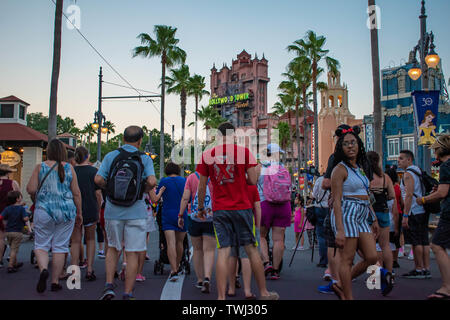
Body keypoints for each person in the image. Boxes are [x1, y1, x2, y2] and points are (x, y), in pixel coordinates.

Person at [196, 122, 278, 300]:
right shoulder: (244, 152)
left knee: (224, 251)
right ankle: (263, 292)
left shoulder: (207, 155)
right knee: (251, 249)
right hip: (242, 206)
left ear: (218, 136)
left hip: (220, 209)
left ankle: (221, 297)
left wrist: (201, 208)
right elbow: (253, 181)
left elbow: (202, 186)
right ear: (234, 135)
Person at [95, 126, 156, 300]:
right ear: (140, 140)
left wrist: (111, 189)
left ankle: (108, 285)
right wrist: (140, 190)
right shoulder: (144, 158)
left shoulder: (111, 156)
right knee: (132, 252)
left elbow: (98, 179)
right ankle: (128, 292)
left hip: (113, 210)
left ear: (123, 139)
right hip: (136, 211)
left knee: (113, 248)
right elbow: (152, 181)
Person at [330, 125, 380, 300]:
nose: (350, 146)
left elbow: (367, 195)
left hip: (362, 214)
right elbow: (336, 200)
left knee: (372, 257)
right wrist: (340, 229)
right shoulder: (339, 169)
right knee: (347, 259)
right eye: (346, 144)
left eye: (353, 143)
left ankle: (340, 284)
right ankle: (347, 296)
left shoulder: (359, 168)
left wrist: (373, 218)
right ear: (341, 148)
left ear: (359, 144)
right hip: (347, 212)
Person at [26, 139, 83, 293]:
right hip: (66, 211)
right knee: (60, 246)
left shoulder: (40, 167)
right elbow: (76, 193)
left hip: (44, 210)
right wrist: (79, 213)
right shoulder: (70, 168)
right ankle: (55, 280)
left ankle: (44, 269)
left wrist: (39, 195)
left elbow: (30, 189)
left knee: (41, 244)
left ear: (49, 151)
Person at [416, 135, 450, 300]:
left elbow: (443, 193)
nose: (434, 153)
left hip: (449, 213)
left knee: (437, 245)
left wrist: (423, 199)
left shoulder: (446, 166)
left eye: (435, 149)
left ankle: (447, 287)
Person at [257, 143, 291, 280]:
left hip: (265, 204)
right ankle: (276, 270)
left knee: (262, 236)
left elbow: (252, 184)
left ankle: (266, 263)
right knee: (278, 239)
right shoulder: (283, 169)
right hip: (283, 205)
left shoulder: (260, 168)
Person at [178, 171, 215, 293]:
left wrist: (180, 215)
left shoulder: (191, 178)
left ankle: (199, 279)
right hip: (211, 217)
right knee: (209, 250)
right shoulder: (214, 176)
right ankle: (207, 277)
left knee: (197, 250)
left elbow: (185, 198)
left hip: (194, 217)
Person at [366, 151, 397, 295]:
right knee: (386, 245)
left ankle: (376, 276)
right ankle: (389, 274)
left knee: (371, 246)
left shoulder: (365, 176)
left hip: (369, 213)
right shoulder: (385, 177)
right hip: (384, 211)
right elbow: (391, 195)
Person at [150, 162, 187, 282]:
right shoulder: (184, 181)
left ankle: (173, 269)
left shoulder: (164, 181)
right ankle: (178, 264)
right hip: (181, 214)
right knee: (180, 242)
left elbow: (156, 198)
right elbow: (189, 198)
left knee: (170, 243)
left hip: (167, 214)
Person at [398, 150, 431, 279]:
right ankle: (426, 268)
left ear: (409, 160)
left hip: (413, 210)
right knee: (424, 240)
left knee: (416, 241)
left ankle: (418, 269)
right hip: (422, 209)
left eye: (401, 158)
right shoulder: (418, 171)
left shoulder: (408, 174)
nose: (398, 161)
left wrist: (405, 215)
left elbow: (409, 194)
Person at [71, 146, 103, 281]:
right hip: (90, 207)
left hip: (74, 208)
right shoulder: (93, 172)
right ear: (87, 157)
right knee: (90, 239)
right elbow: (98, 193)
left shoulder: (71, 171)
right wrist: (99, 205)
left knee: (75, 240)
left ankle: (74, 270)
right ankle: (89, 268)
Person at [227, 183, 261, 299]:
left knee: (232, 255)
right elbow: (257, 207)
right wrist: (258, 225)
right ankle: (247, 290)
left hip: (230, 219)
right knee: (245, 255)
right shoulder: (252, 187)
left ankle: (231, 288)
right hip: (246, 218)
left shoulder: (230, 185)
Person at [1, 191, 31, 273]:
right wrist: (28, 217)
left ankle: (15, 262)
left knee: (12, 247)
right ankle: (10, 266)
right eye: (20, 196)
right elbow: (25, 219)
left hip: (8, 232)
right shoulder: (21, 209)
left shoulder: (7, 208)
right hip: (17, 232)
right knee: (14, 249)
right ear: (18, 199)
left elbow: (2, 216)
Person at [0, 164, 20, 268]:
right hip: (10, 212)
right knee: (13, 237)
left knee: (1, 238)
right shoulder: (13, 183)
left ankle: (0, 260)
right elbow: (19, 196)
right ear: (8, 173)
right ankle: (11, 258)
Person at [386, 167, 403, 268]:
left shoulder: (386, 188)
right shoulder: (397, 187)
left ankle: (386, 261)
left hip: (388, 214)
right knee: (395, 239)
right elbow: (401, 201)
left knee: (384, 241)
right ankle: (395, 259)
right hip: (398, 213)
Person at [312, 175, 329, 267]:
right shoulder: (334, 178)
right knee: (332, 234)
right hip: (331, 208)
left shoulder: (319, 180)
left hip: (319, 207)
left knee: (321, 235)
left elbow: (314, 194)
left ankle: (323, 260)